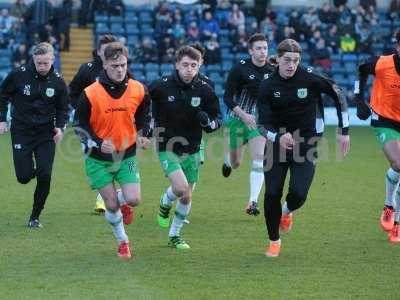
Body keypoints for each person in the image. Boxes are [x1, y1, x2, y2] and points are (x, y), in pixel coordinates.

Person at [257, 38, 350, 257]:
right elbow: (261, 123)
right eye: (287, 60)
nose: (291, 65)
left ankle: (287, 212)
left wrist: (343, 131)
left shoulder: (310, 77)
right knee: (271, 194)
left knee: (298, 194)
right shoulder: (268, 85)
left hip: (305, 144)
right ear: (278, 59)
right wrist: (278, 136)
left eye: (295, 60)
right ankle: (274, 241)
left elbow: (339, 95)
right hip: (276, 146)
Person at [75, 42, 151, 258]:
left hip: (125, 153)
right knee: (110, 205)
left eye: (123, 65)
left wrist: (144, 133)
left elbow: (145, 113)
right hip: (97, 158)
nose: (120, 69)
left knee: (134, 199)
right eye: (115, 65)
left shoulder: (138, 88)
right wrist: (98, 142)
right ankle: (123, 242)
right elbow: (79, 127)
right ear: (105, 64)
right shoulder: (90, 94)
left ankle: (122, 197)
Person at [149, 45, 221, 250]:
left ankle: (175, 235)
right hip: (167, 145)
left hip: (193, 148)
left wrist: (209, 123)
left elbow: (217, 118)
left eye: (193, 65)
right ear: (177, 65)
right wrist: (147, 126)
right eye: (185, 65)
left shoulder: (205, 88)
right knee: (180, 188)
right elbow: (142, 102)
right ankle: (165, 201)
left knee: (187, 195)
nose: (189, 69)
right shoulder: (161, 85)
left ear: (199, 66)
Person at [0, 42, 69, 228]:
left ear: (53, 60)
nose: (42, 67)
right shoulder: (19, 74)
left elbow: (63, 108)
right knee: (23, 177)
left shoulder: (58, 81)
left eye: (46, 63)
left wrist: (60, 127)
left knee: (45, 174)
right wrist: (2, 119)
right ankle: (29, 172)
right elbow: (3, 94)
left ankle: (35, 216)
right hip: (21, 131)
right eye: (39, 63)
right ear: (33, 60)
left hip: (45, 133)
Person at [221, 33, 275, 216]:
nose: (262, 52)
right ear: (251, 50)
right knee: (236, 163)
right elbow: (227, 98)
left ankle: (252, 202)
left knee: (259, 157)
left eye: (265, 48)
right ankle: (228, 160)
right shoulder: (239, 69)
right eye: (258, 48)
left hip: (258, 122)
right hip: (238, 119)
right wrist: (243, 115)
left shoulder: (272, 71)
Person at [355, 30, 400, 243]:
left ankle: (394, 215)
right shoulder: (382, 63)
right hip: (384, 119)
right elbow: (361, 69)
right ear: (397, 47)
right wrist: (358, 99)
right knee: (399, 163)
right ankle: (392, 211)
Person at [69, 34, 118, 214]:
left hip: (112, 123)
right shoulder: (87, 70)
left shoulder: (120, 69)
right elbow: (72, 92)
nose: (110, 53)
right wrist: (80, 110)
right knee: (95, 157)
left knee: (112, 157)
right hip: (88, 126)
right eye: (106, 50)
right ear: (98, 52)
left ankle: (103, 198)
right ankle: (105, 196)